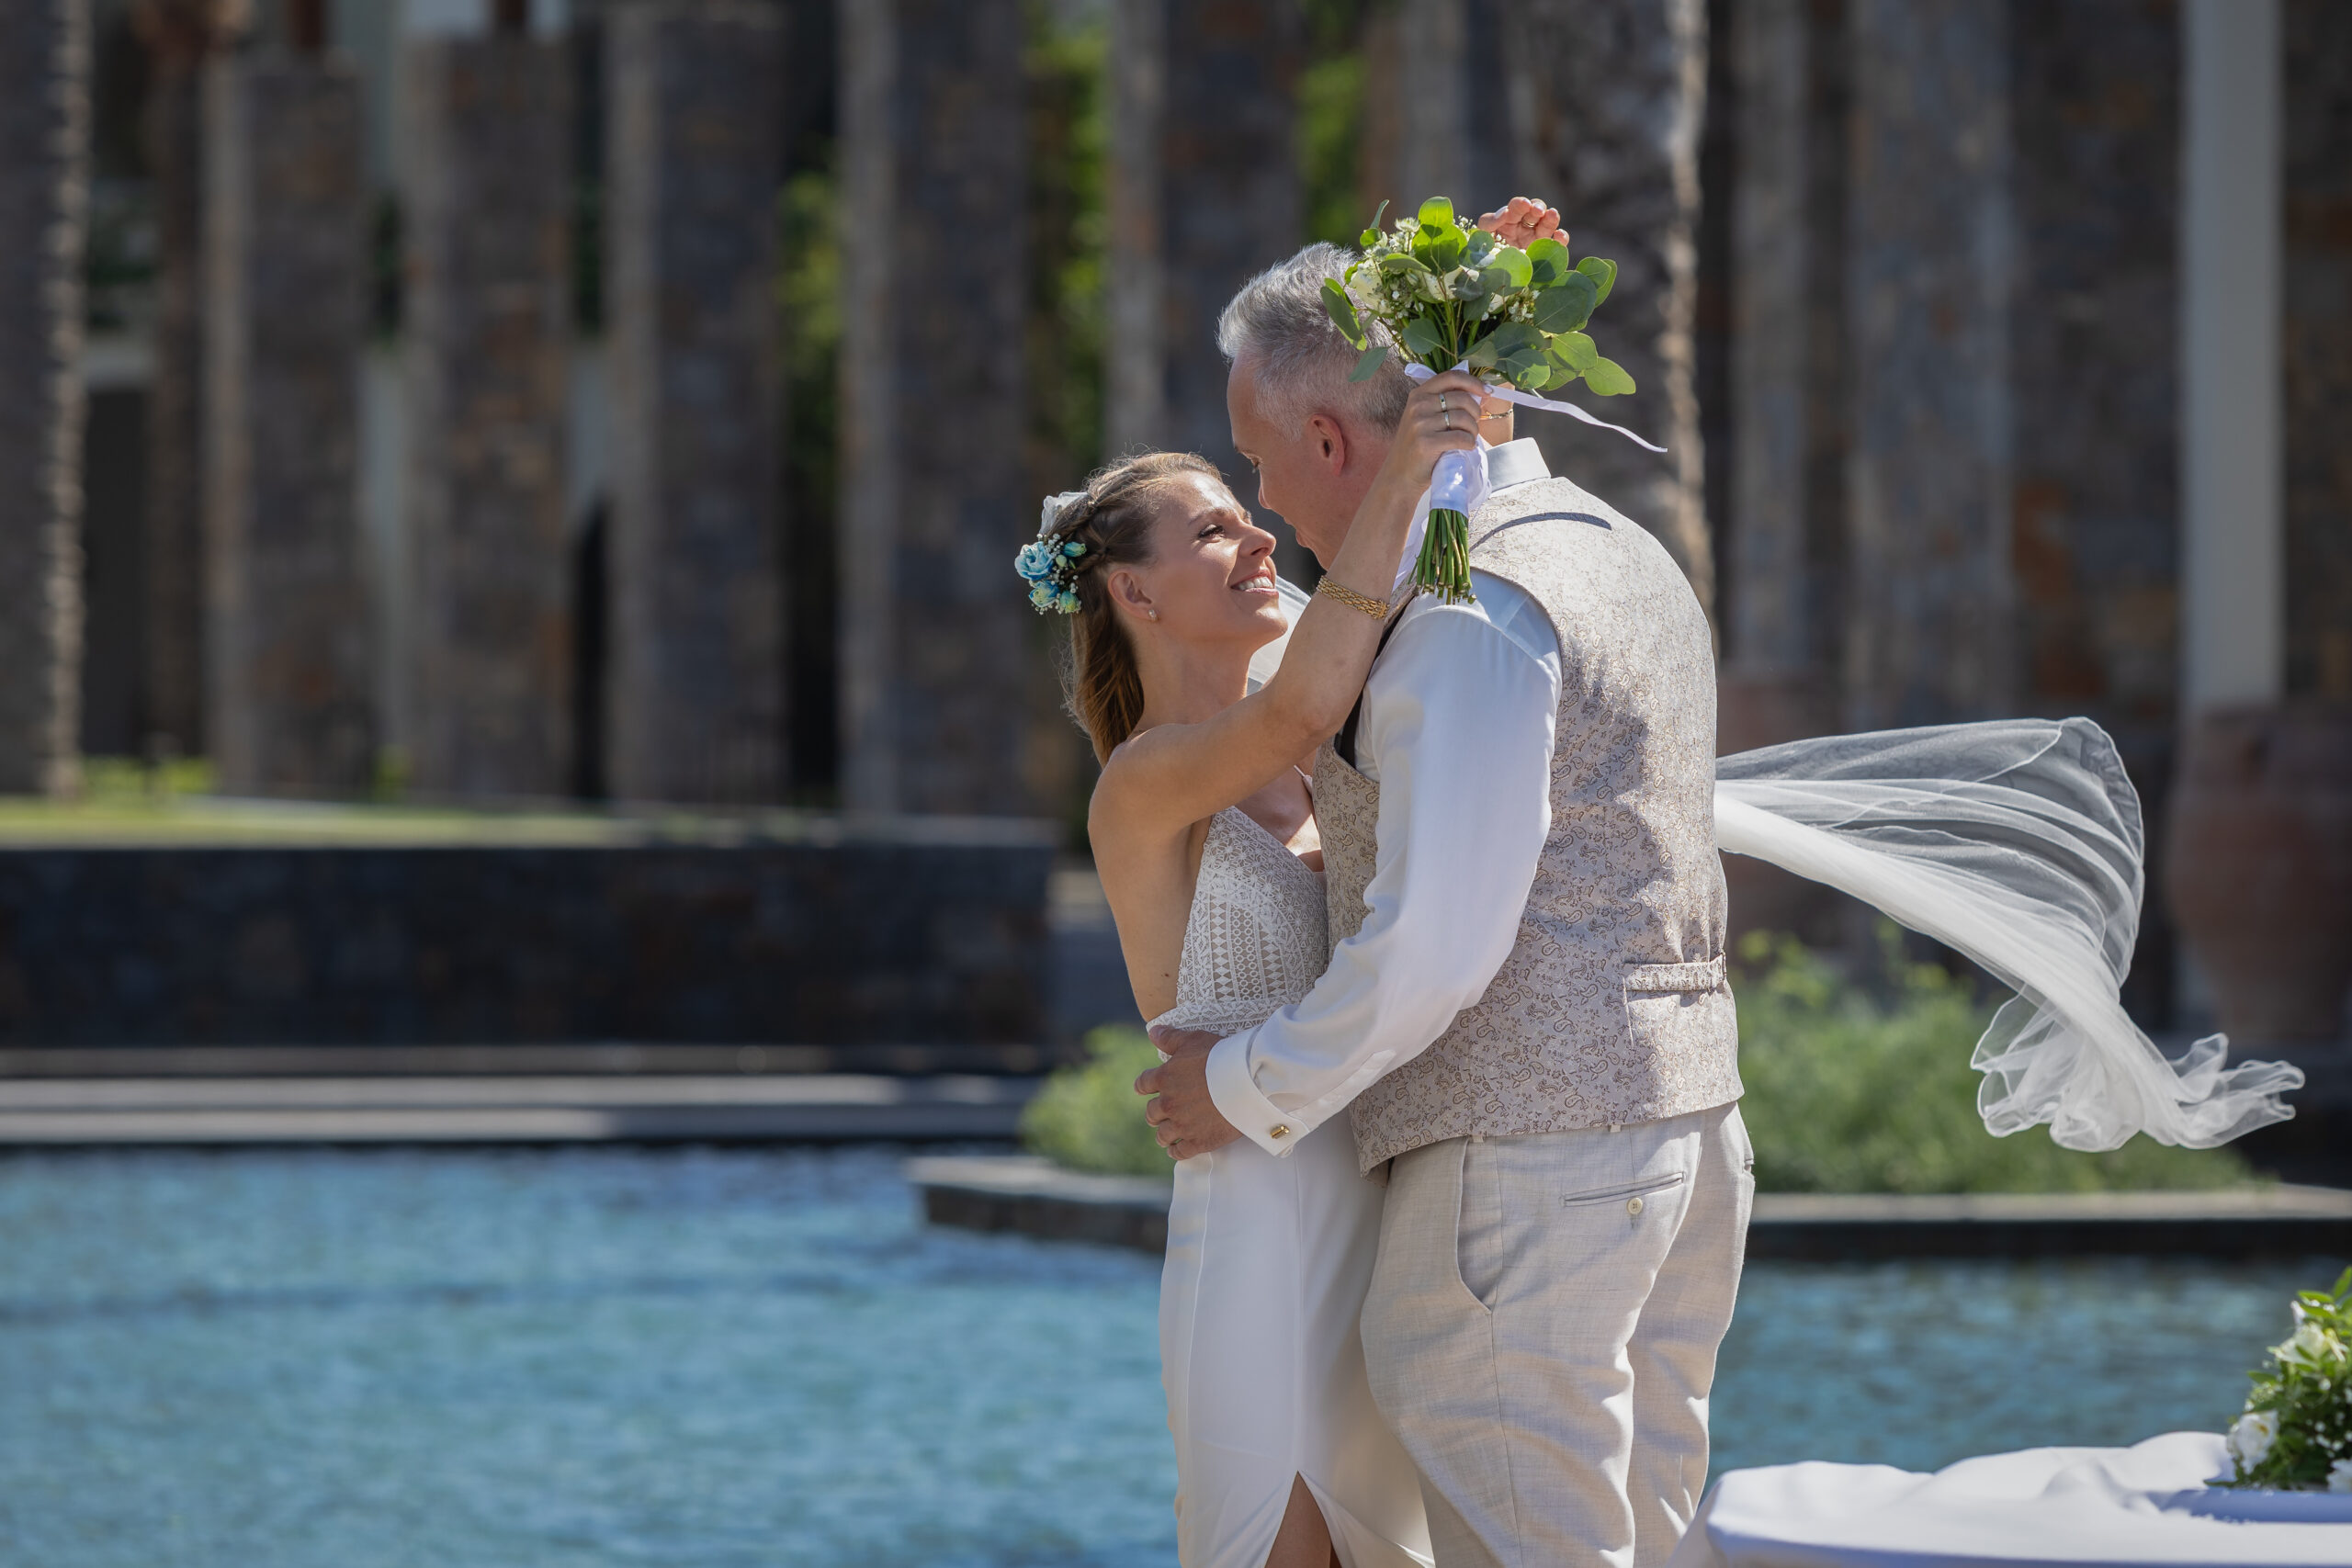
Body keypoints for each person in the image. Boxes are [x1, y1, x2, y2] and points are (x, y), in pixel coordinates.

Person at [1140, 213, 1751, 1568]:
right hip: (1685, 1138)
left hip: (1530, 1173)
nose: (1269, 504)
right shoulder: (1615, 544)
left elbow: (1434, 945)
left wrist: (1240, 1086)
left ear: (1334, 442)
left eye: (1261, 462)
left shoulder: (1470, 613)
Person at [1033, 354, 1497, 1565]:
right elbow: (1285, 713)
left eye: (1249, 517)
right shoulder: (1143, 785)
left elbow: (1432, 616)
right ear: (1135, 594)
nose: (1258, 538)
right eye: (1213, 529)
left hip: (1388, 1221)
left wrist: (1463, 431)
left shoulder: (1335, 728)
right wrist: (1402, 464)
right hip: (1258, 1235)